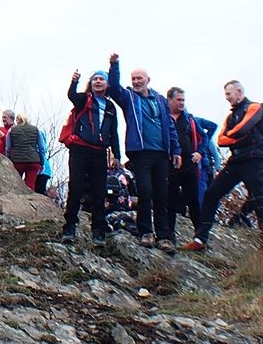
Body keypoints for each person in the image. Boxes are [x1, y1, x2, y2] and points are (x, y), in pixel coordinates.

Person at [183, 80, 263, 252]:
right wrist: (240, 136)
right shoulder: (230, 116)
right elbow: (221, 140)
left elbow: (240, 130)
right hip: (236, 161)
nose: (226, 98)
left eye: (228, 94)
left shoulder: (255, 108)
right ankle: (200, 239)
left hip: (255, 160)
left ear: (239, 91)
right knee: (211, 194)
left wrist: (237, 135)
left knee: (259, 201)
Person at [106, 54, 182, 252]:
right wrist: (114, 66)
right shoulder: (129, 97)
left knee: (161, 194)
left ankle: (164, 236)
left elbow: (170, 127)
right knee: (145, 191)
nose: (136, 81)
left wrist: (175, 150)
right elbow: (113, 88)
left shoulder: (160, 99)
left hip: (161, 153)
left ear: (148, 79)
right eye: (134, 79)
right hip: (140, 152)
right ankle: (146, 232)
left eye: (140, 78)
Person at [61, 69, 121, 245]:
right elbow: (71, 95)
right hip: (79, 149)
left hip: (100, 152)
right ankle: (69, 228)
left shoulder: (111, 107)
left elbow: (114, 132)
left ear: (107, 84)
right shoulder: (83, 99)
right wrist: (74, 81)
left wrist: (117, 155)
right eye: (95, 79)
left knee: (99, 191)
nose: (98, 82)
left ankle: (98, 231)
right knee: (76, 188)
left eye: (102, 79)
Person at [165, 87, 205, 246]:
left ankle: (201, 237)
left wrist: (200, 152)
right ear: (170, 100)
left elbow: (204, 137)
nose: (182, 103)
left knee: (193, 200)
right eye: (179, 100)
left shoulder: (190, 119)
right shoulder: (163, 118)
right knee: (170, 201)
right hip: (169, 165)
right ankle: (169, 236)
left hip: (189, 165)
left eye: (183, 100)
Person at [5, 114, 47, 190]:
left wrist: (8, 160)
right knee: (30, 186)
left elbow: (8, 148)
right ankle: (29, 200)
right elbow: (42, 148)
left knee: (16, 185)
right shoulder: (35, 129)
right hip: (33, 161)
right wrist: (42, 162)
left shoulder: (12, 130)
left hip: (17, 161)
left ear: (17, 120)